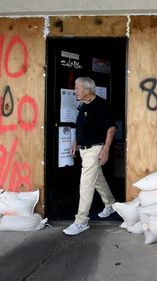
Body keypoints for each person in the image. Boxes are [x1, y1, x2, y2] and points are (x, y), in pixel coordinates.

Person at [63, 77, 117, 236]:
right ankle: (110, 204)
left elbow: (111, 128)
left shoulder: (101, 104)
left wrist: (106, 148)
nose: (75, 91)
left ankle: (81, 221)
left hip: (95, 149)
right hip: (84, 150)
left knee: (86, 184)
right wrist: (75, 142)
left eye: (77, 88)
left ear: (87, 89)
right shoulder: (83, 105)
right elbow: (81, 127)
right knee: (97, 180)